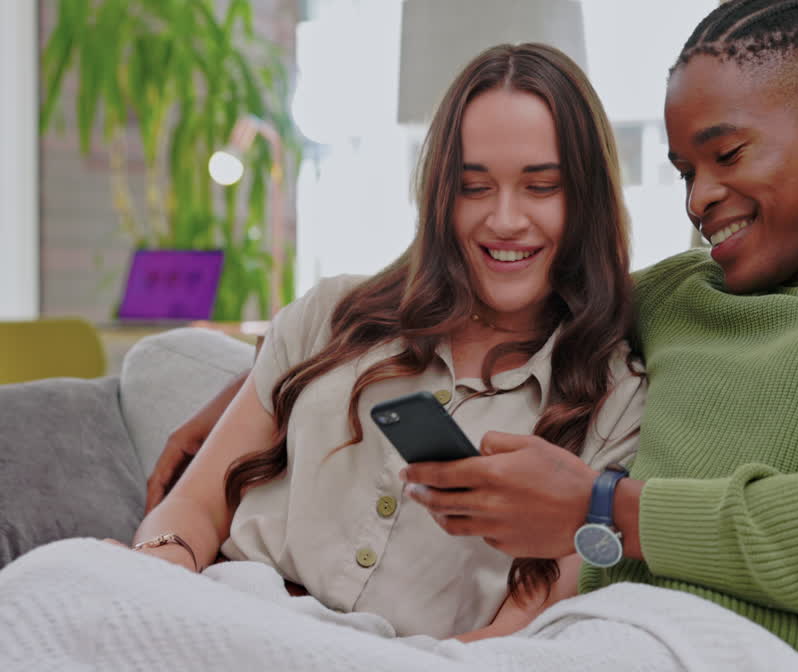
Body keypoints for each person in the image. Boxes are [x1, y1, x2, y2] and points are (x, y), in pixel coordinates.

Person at [142, 0, 798, 671]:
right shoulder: (678, 297)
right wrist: (265, 377)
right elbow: (488, 298)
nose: (702, 199)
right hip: (589, 641)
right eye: (683, 172)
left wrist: (608, 510)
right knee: (54, 588)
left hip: (704, 652)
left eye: (725, 156)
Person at [109, 41, 646, 640]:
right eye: (474, 187)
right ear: (441, 195)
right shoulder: (330, 315)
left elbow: (510, 638)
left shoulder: (616, 400)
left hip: (401, 658)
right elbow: (197, 506)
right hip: (214, 613)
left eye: (541, 186)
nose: (505, 219)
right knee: (43, 579)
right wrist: (155, 572)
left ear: (588, 199)